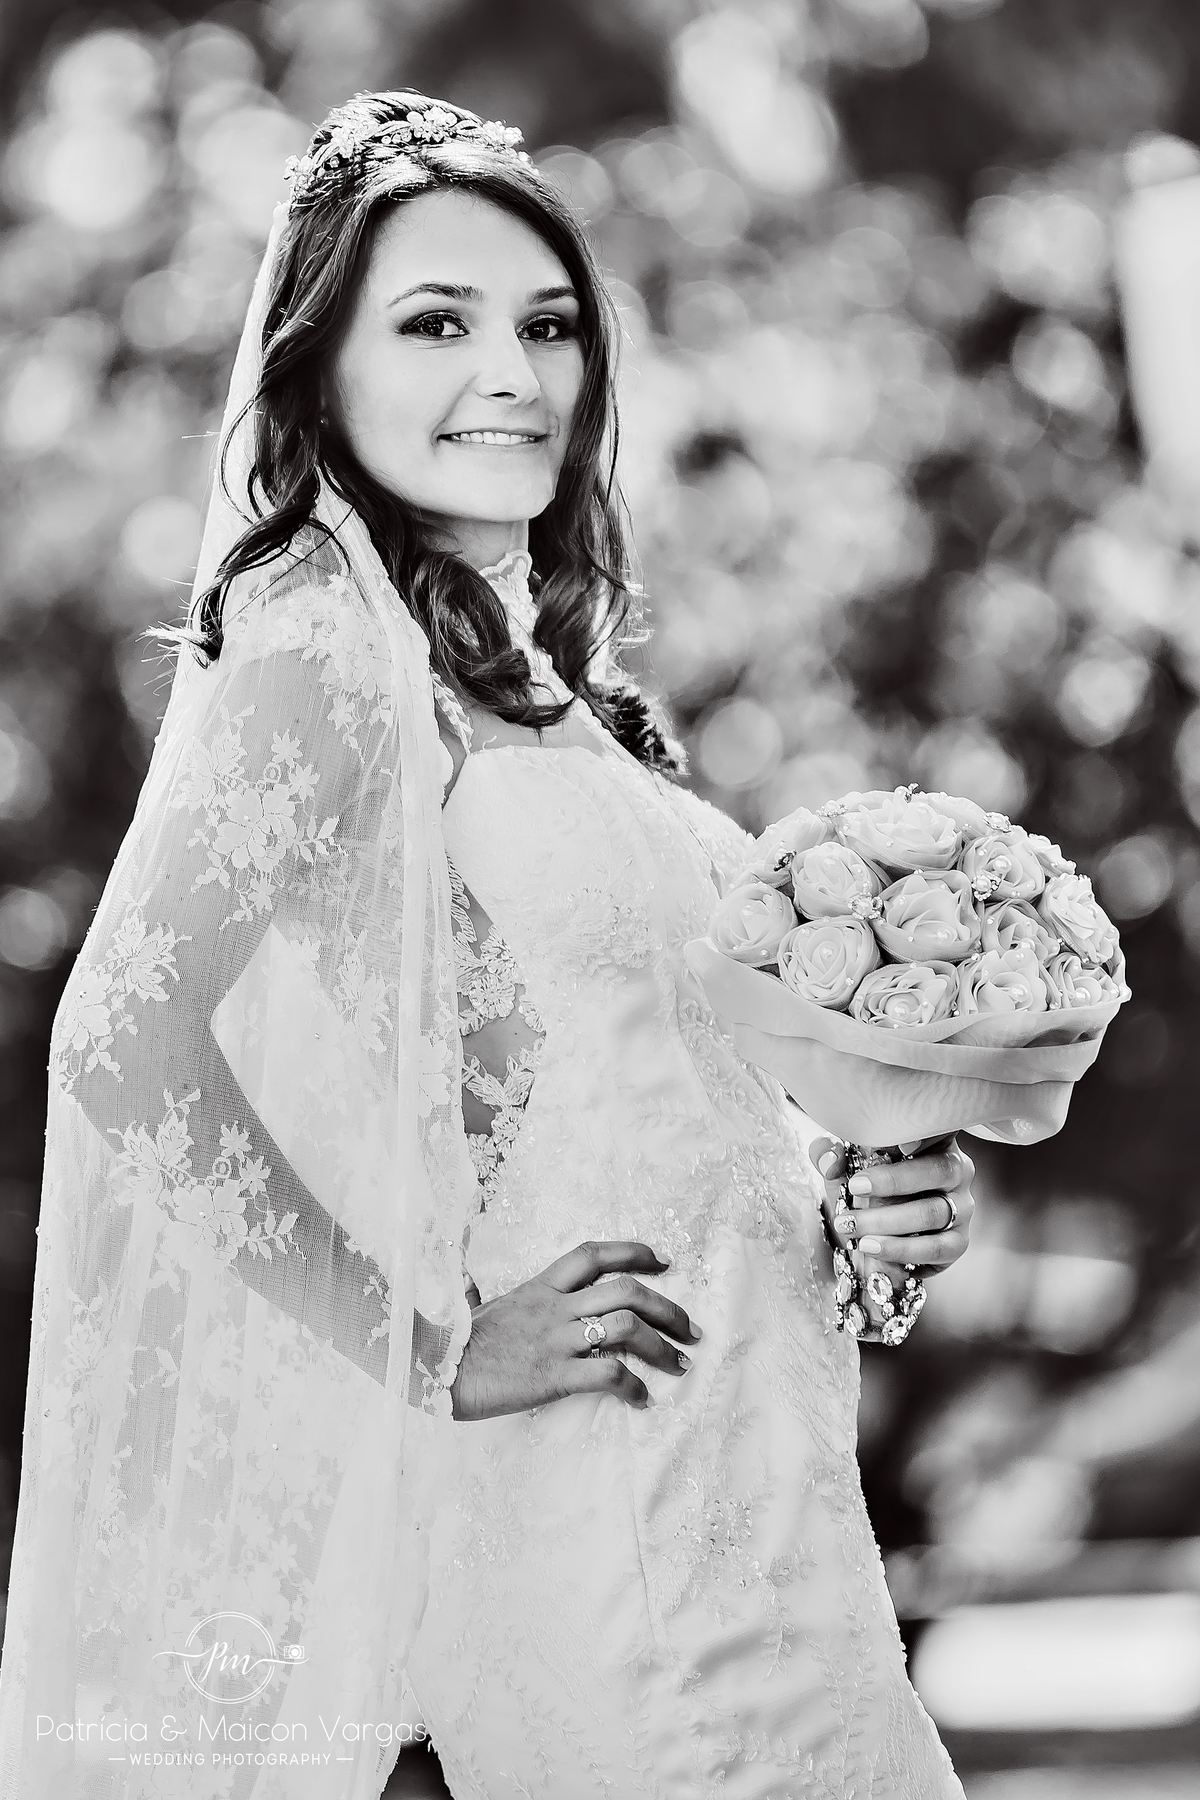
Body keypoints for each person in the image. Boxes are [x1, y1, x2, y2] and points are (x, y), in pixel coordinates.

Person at [0, 91, 977, 1800]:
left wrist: (857, 1209)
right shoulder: (323, 644)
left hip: (774, 1513)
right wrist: (434, 1347)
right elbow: (123, 1043)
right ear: (320, 374)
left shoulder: (561, 696)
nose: (513, 374)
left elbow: (610, 1096)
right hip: (595, 1533)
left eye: (548, 325)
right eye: (437, 324)